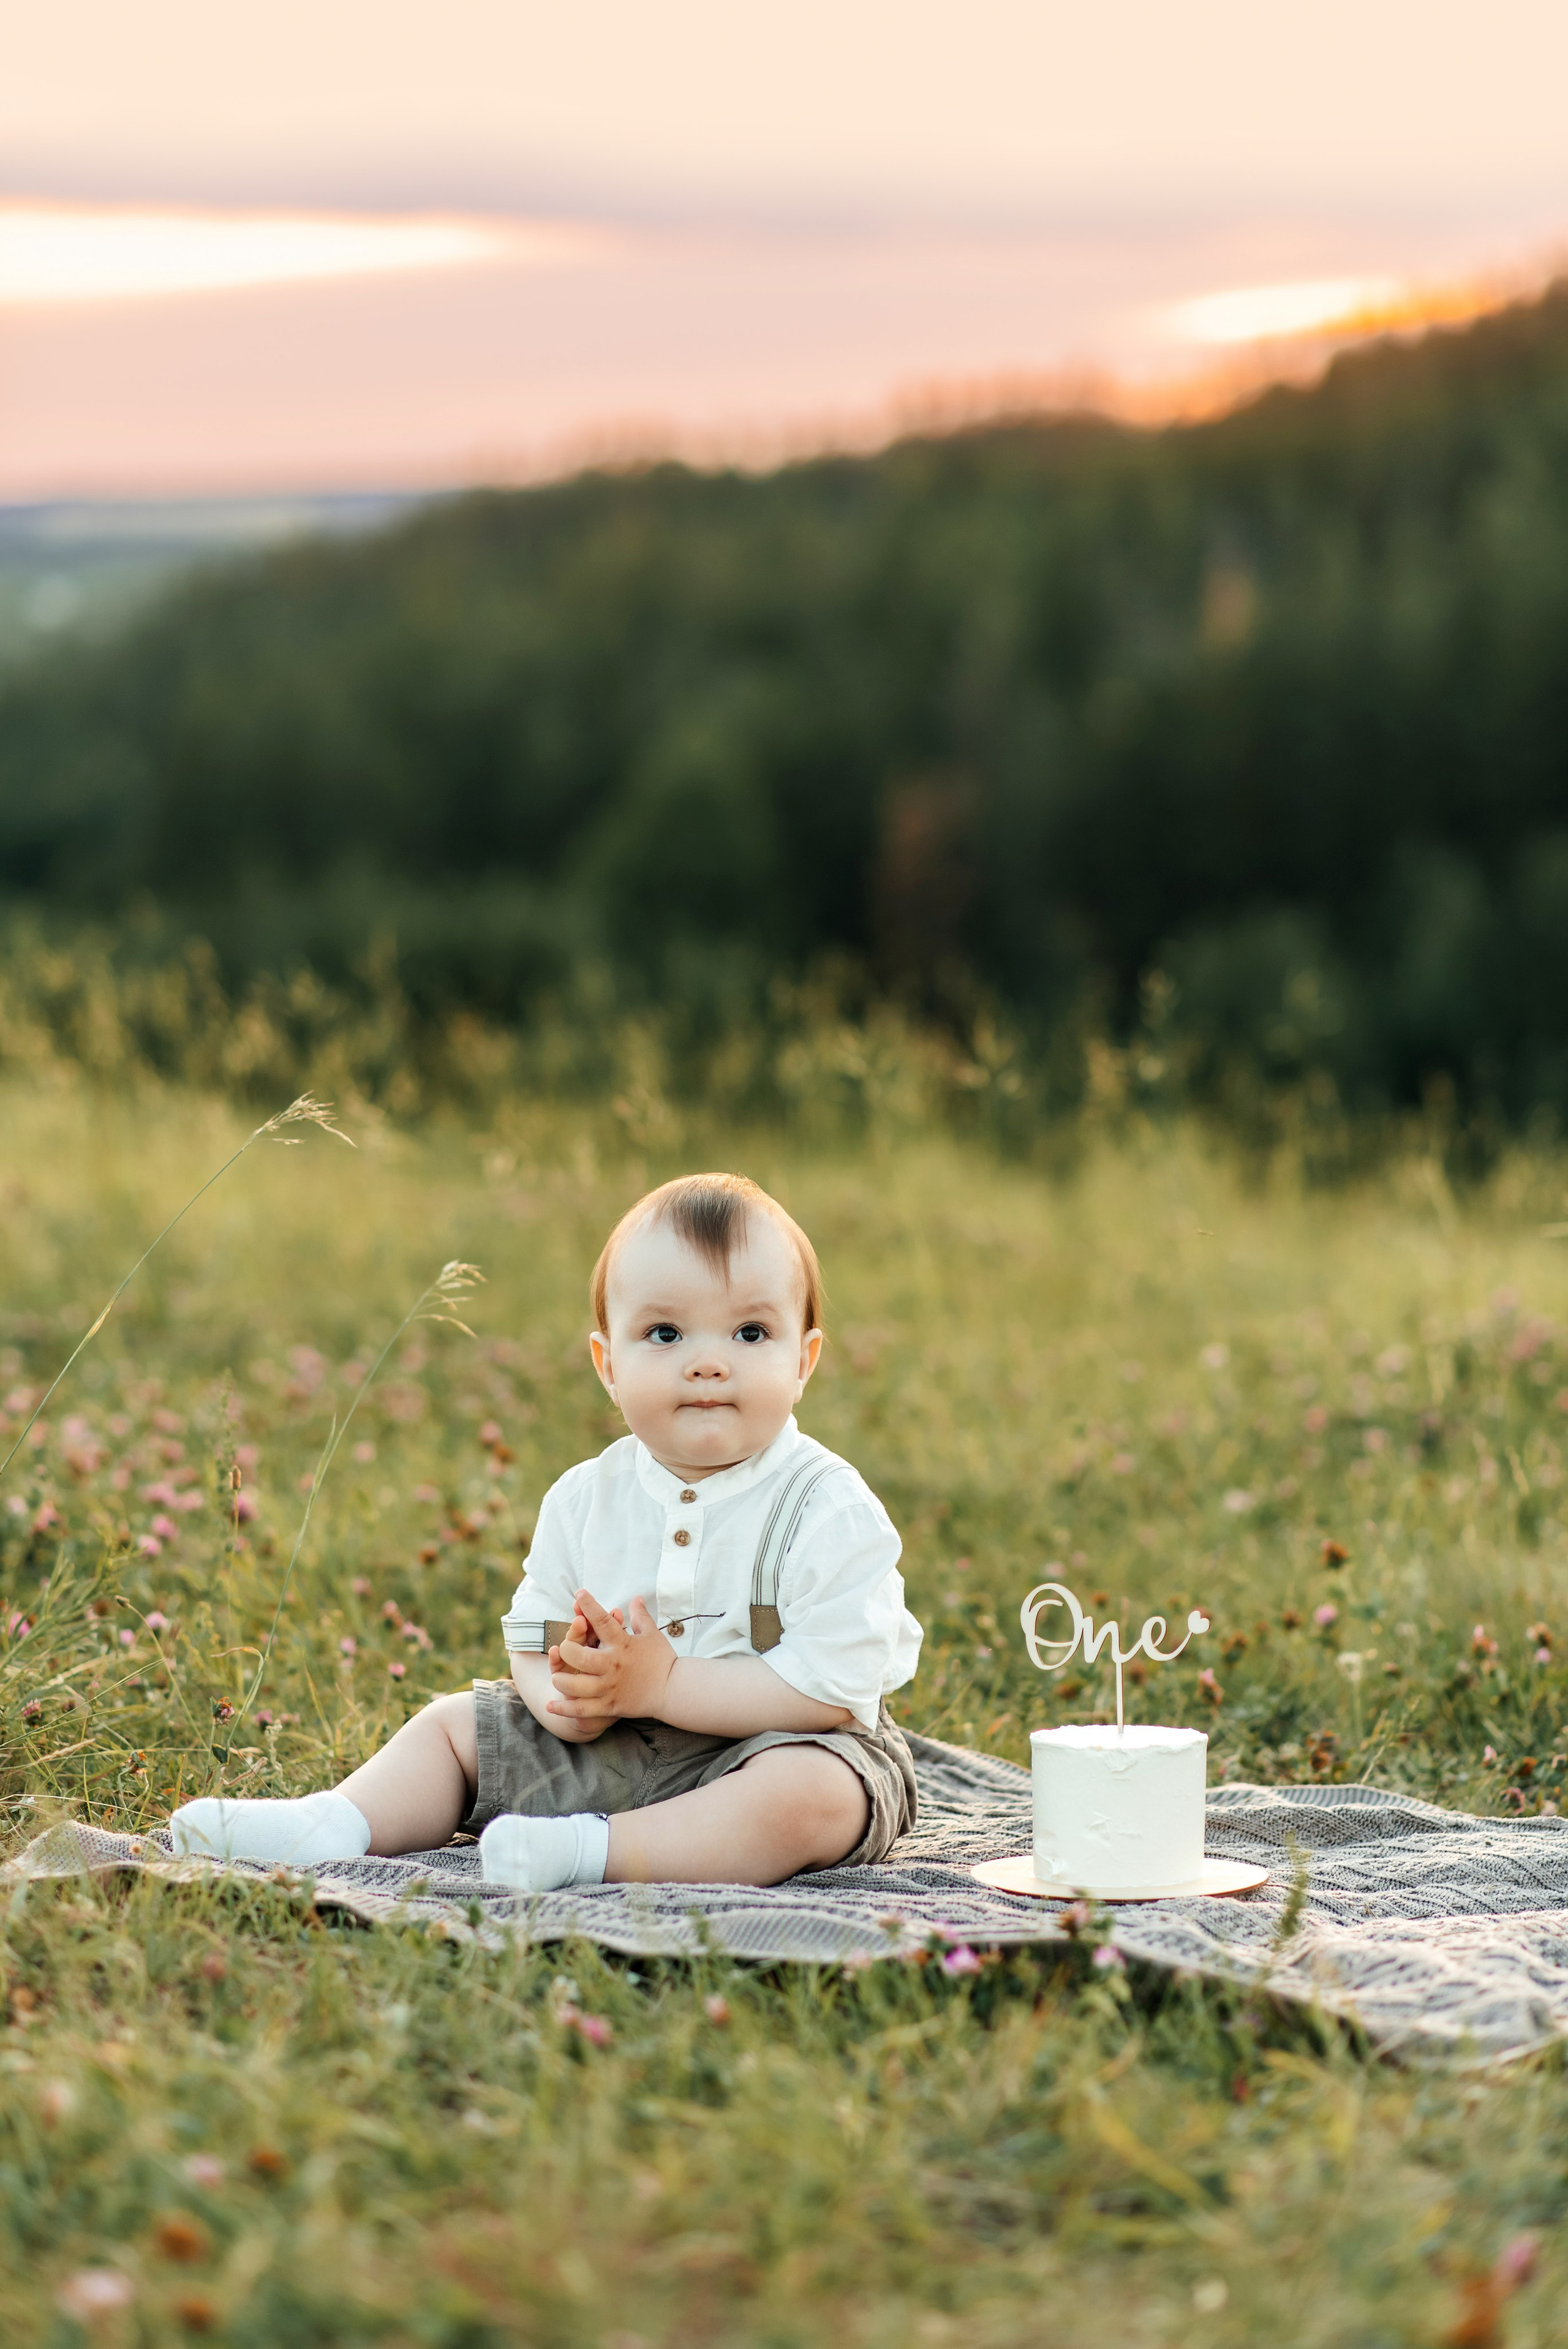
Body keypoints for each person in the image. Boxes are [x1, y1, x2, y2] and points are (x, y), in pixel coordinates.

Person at [172, 1172, 922, 1891]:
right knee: (454, 1725)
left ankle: (593, 1852)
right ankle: (334, 1823)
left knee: (814, 1796)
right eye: (664, 1332)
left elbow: (830, 1689)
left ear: (803, 1359)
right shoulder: (586, 1498)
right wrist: (561, 1698)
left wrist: (665, 1684)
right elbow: (535, 1637)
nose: (707, 1364)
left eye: (750, 1331)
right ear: (607, 1365)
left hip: (778, 1746)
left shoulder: (828, 1507)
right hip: (618, 1746)